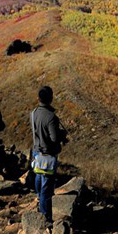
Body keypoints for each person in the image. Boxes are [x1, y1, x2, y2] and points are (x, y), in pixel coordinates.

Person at [30, 85, 68, 224]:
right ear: (50, 99)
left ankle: (39, 200)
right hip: (48, 154)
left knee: (38, 178)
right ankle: (46, 216)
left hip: (36, 151)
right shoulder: (51, 116)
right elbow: (53, 138)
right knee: (47, 186)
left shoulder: (33, 113)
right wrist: (61, 135)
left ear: (38, 98)